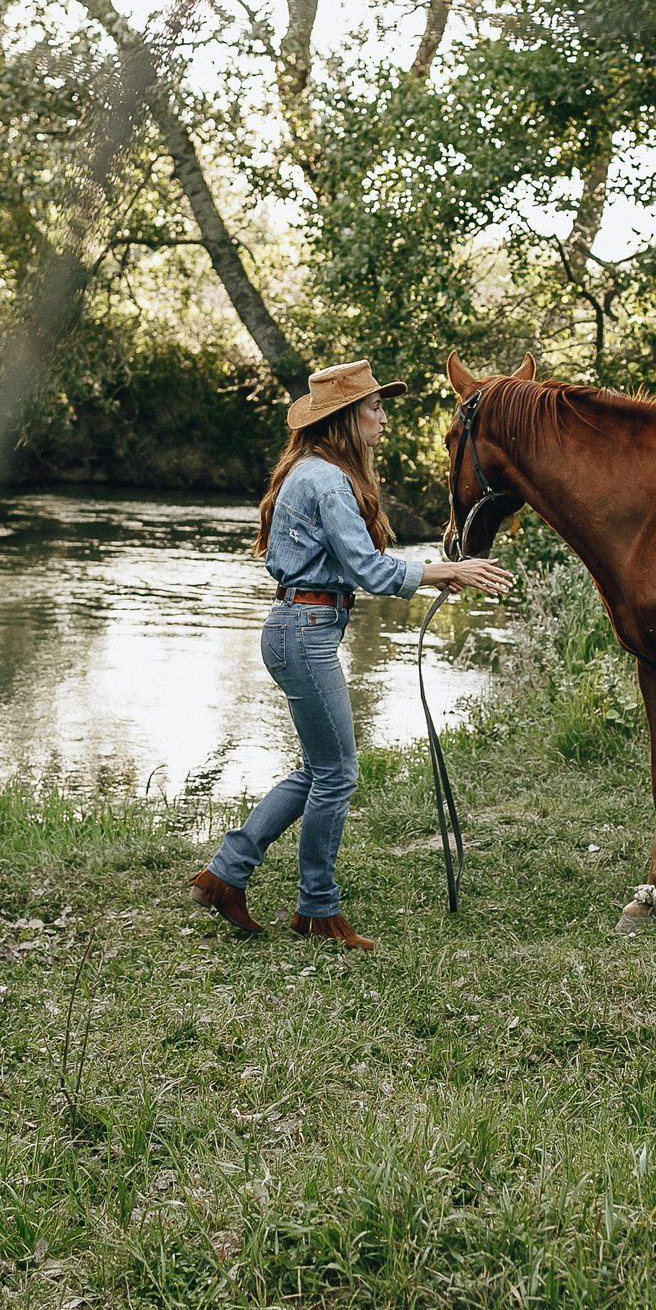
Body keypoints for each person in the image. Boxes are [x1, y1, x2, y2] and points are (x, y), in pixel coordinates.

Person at [187, 361, 512, 948]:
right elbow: (369, 570)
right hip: (305, 631)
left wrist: (436, 574)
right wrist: (447, 569)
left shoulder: (311, 472)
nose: (383, 417)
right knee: (336, 775)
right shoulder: (327, 480)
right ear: (345, 417)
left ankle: (224, 875)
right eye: (374, 407)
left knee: (318, 770)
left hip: (297, 626)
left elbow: (359, 565)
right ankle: (315, 907)